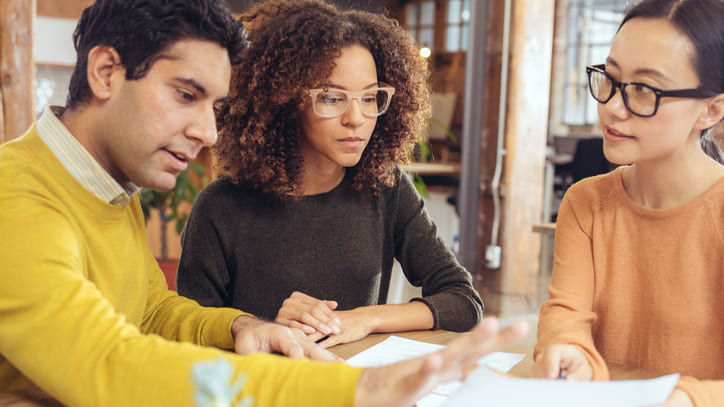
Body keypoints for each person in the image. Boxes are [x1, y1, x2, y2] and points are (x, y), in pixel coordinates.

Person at [0, 0, 530, 406]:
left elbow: (151, 309)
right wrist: (354, 390)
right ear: (106, 72)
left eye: (217, 106)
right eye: (186, 95)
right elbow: (109, 364)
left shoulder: (107, 188)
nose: (208, 133)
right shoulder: (16, 198)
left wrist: (240, 326)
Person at [177, 0, 483, 348]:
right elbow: (191, 338)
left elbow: (463, 301)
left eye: (370, 98)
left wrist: (362, 320)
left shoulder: (386, 188)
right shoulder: (220, 208)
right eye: (332, 98)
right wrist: (265, 329)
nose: (357, 118)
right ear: (286, 101)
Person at [533, 1, 724, 406]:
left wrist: (688, 398)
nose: (612, 107)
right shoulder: (586, 204)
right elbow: (566, 315)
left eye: (645, 90)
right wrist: (570, 350)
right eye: (611, 79)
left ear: (711, 109)